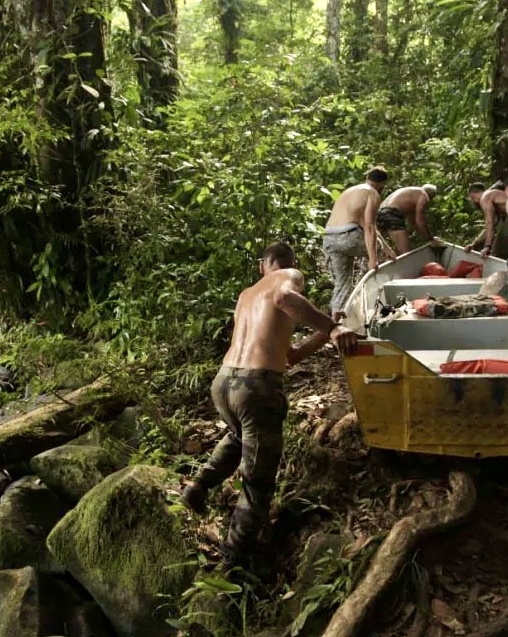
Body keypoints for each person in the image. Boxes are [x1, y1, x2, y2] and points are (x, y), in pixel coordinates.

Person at [181, 242, 360, 572]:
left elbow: (288, 356)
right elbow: (285, 298)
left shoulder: (247, 294)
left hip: (224, 382)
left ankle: (198, 487)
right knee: (258, 484)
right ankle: (234, 562)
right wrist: (332, 328)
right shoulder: (287, 276)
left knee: (239, 437)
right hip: (257, 387)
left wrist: (326, 332)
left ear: (264, 264)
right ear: (283, 264)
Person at [323, 166, 389, 321]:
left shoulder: (350, 191)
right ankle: (364, 288)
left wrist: (387, 247)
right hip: (349, 238)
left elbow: (362, 223)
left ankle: (336, 323)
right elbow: (369, 227)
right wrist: (374, 259)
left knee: (342, 284)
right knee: (375, 248)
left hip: (330, 239)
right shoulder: (372, 193)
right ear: (382, 185)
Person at [375, 184, 440, 255]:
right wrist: (430, 239)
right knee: (406, 254)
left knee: (391, 249)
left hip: (379, 213)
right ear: (431, 195)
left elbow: (413, 222)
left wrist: (424, 237)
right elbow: (420, 221)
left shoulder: (411, 194)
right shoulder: (423, 195)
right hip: (392, 213)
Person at [465, 182, 508, 259]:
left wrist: (487, 246)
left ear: (472, 196)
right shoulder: (496, 201)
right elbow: (490, 228)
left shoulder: (485, 197)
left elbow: (490, 223)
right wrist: (474, 244)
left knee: (498, 250)